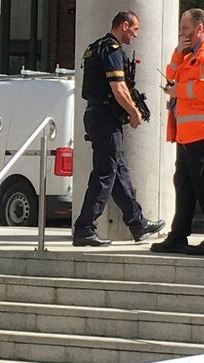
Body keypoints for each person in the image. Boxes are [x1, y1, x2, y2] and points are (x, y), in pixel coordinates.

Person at [72, 11, 165, 247]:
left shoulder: (96, 48)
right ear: (124, 25)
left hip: (97, 116)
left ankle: (137, 223)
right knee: (105, 173)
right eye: (135, 29)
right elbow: (119, 87)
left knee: (118, 173)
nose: (136, 34)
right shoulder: (112, 50)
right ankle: (84, 227)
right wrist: (134, 112)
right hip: (104, 118)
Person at [150, 8, 204, 256]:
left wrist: (179, 90)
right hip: (189, 132)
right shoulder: (190, 54)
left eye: (185, 29)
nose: (182, 33)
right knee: (184, 185)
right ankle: (178, 236)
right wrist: (177, 52)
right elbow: (173, 77)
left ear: (199, 28)